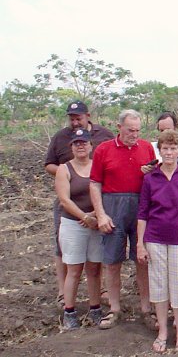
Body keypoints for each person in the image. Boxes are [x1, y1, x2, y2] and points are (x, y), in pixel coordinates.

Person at [89, 109, 156, 330]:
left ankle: (147, 309)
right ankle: (115, 309)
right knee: (112, 262)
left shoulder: (146, 147)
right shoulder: (103, 149)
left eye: (137, 130)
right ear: (119, 127)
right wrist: (100, 214)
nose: (134, 134)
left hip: (140, 209)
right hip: (113, 207)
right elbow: (95, 183)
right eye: (130, 130)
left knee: (142, 260)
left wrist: (149, 173)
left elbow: (155, 179)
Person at [137, 130, 178, 353]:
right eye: (165, 148)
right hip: (155, 239)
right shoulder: (150, 178)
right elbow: (143, 213)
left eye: (173, 148)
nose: (169, 152)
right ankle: (163, 331)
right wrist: (139, 243)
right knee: (159, 288)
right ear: (160, 150)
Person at [45, 100, 113, 305]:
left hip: (97, 207)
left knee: (96, 259)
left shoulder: (105, 135)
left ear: (88, 116)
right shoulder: (61, 137)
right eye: (72, 119)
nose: (75, 122)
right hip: (69, 207)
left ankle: (98, 295)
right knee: (64, 251)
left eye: (78, 118)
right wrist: (69, 175)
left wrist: (94, 213)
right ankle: (64, 295)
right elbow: (49, 164)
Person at [55, 129, 103, 330]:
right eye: (76, 143)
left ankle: (95, 307)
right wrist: (83, 217)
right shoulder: (64, 169)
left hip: (96, 222)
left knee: (94, 268)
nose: (80, 146)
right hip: (73, 224)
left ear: (91, 146)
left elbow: (105, 191)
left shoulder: (97, 167)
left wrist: (93, 215)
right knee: (74, 269)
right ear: (71, 147)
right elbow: (64, 200)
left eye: (84, 143)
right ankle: (69, 311)